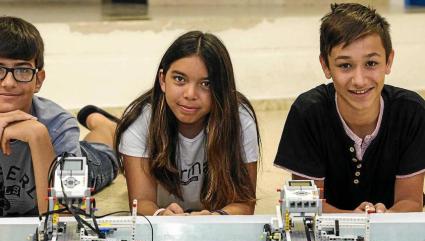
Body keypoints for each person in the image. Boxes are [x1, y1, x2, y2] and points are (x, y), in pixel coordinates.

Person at [274, 3, 425, 213]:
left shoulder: (412, 112)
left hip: (390, 232)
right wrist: (355, 221)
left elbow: (411, 202)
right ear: (325, 66)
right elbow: (307, 207)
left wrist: (385, 217)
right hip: (326, 238)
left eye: (371, 63)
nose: (360, 80)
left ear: (389, 61)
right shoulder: (307, 113)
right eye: (345, 65)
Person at [116, 31, 260, 216]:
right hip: (136, 130)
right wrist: (160, 214)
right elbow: (141, 203)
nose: (190, 94)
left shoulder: (240, 120)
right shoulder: (139, 119)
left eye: (206, 84)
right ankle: (102, 123)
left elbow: (244, 204)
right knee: (106, 143)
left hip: (209, 213)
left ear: (221, 87)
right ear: (162, 80)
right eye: (179, 79)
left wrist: (218, 217)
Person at [0, 16, 119, 216]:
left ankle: (104, 126)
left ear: (38, 80)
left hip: (65, 156)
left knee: (103, 156)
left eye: (22, 70)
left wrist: (38, 136)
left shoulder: (59, 126)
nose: (9, 82)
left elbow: (65, 214)